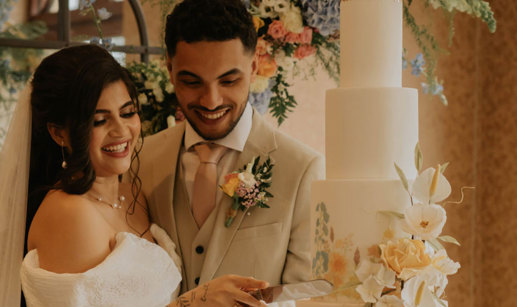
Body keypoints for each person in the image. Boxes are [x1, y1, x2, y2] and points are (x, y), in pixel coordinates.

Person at [0, 44, 268, 307]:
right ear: (59, 133)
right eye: (99, 120)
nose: (121, 131)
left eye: (128, 113)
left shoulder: (133, 196)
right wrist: (196, 301)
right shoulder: (69, 213)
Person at [135, 0, 325, 305]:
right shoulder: (141, 161)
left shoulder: (303, 169)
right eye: (191, 81)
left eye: (229, 80)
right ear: (169, 70)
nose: (211, 101)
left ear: (253, 68)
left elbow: (307, 298)